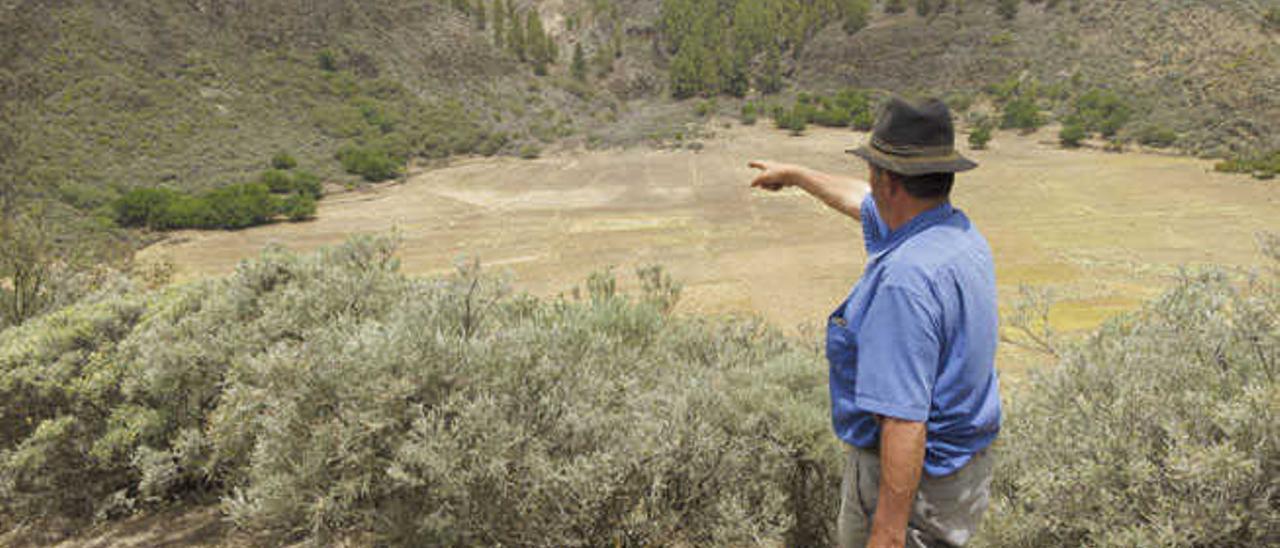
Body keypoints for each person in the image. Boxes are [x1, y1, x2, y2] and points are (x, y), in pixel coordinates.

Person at [748, 97, 1001, 548]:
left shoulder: (904, 281)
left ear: (886, 179)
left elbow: (904, 422)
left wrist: (886, 534)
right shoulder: (957, 236)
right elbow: (862, 200)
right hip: (959, 479)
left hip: (912, 491)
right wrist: (797, 176)